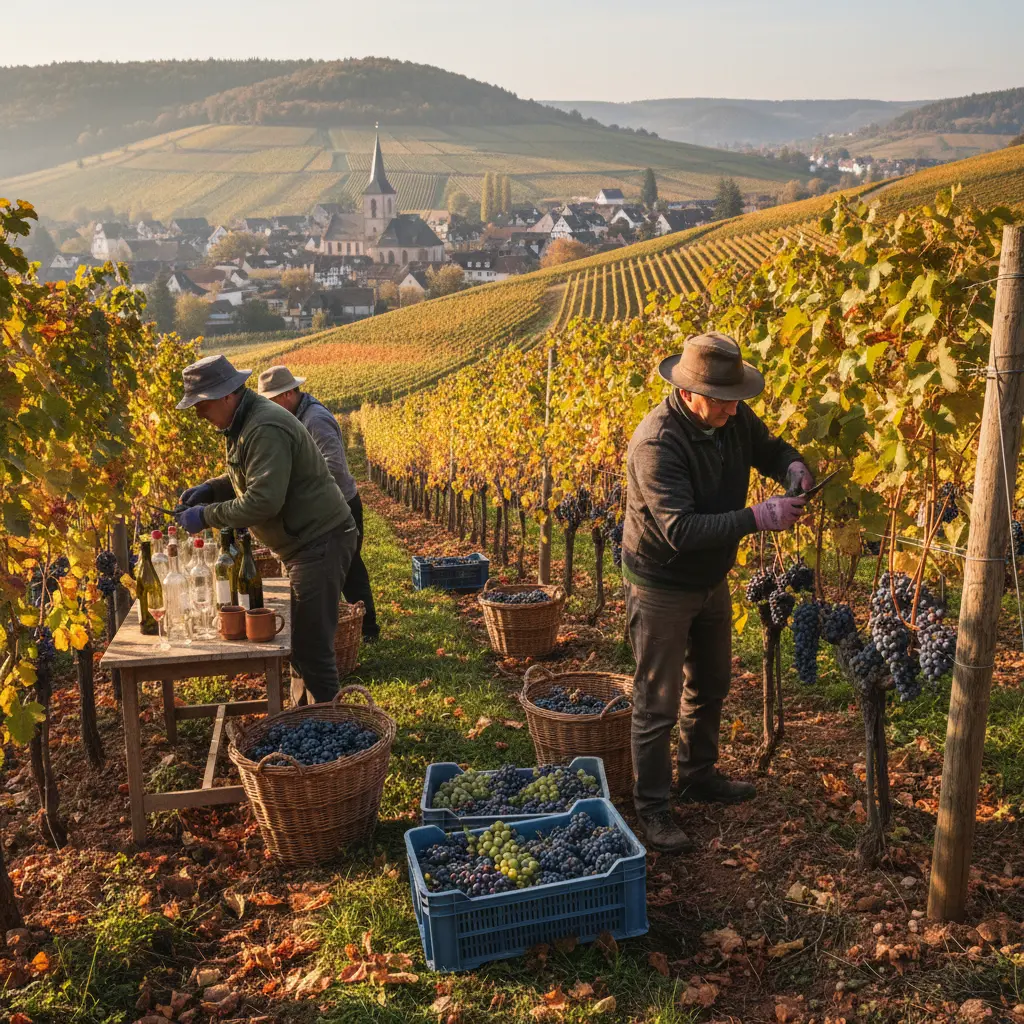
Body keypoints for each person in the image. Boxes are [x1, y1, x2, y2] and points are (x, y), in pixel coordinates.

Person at [622, 332, 812, 853]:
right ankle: (654, 808)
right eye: (724, 401)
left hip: (710, 577)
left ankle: (698, 775)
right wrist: (759, 517)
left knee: (711, 681)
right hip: (661, 579)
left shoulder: (731, 417)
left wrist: (791, 465)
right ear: (688, 394)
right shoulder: (657, 443)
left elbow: (768, 449)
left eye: (738, 400)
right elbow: (679, 530)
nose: (734, 410)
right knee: (656, 703)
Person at [173, 354, 359, 703]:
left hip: (320, 541)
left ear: (227, 395)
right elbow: (249, 475)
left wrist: (207, 515)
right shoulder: (242, 423)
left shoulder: (263, 427)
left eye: (202, 404)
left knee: (312, 648)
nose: (198, 414)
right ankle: (303, 717)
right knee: (300, 646)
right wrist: (213, 489)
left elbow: (263, 502)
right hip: (304, 543)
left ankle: (334, 733)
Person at [256, 366, 379, 641]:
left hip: (341, 504)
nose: (269, 408)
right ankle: (358, 628)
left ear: (288, 394)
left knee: (347, 570)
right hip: (328, 504)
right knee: (347, 569)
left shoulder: (315, 420)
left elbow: (333, 467)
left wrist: (296, 490)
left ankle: (365, 629)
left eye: (272, 400)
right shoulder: (297, 417)